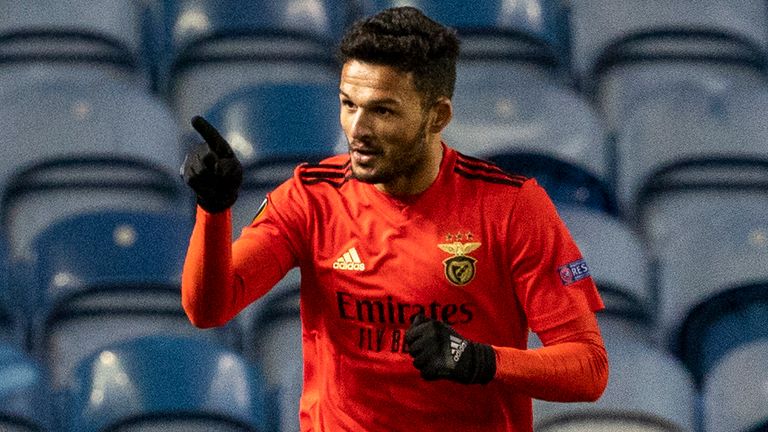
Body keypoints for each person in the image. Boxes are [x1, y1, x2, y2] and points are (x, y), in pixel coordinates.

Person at [181, 6, 608, 432]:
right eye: (349, 105)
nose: (357, 128)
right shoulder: (311, 198)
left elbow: (588, 369)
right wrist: (214, 211)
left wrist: (479, 360)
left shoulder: (512, 208)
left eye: (382, 111)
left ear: (436, 116)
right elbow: (209, 309)